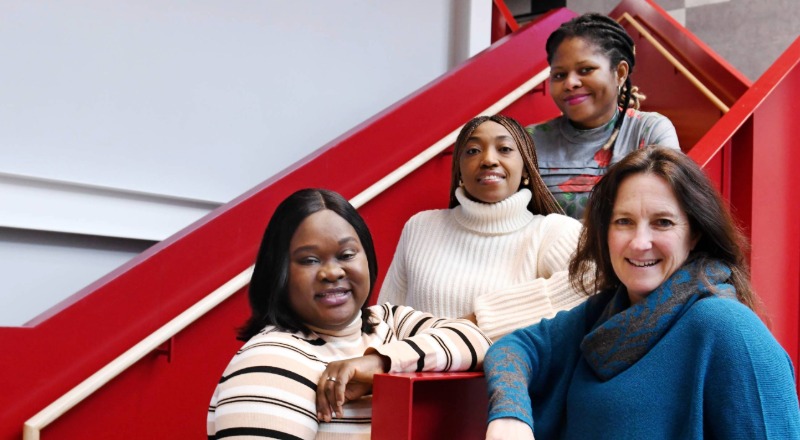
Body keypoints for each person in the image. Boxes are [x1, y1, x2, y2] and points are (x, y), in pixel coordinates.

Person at [484, 146, 800, 439]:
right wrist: (510, 414)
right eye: (624, 221)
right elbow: (515, 347)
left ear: (694, 233)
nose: (639, 242)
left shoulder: (731, 330)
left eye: (662, 222)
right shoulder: (606, 312)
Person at [207, 189, 490, 440]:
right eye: (309, 260)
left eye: (346, 255)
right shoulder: (272, 360)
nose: (332, 272)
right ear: (278, 271)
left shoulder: (389, 322)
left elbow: (476, 340)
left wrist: (379, 363)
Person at [378, 114, 587, 341]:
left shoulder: (554, 232)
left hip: (513, 376)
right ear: (459, 171)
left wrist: (477, 321)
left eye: (505, 149)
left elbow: (594, 291)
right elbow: (385, 323)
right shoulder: (420, 227)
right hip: (413, 373)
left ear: (526, 168)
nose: (488, 159)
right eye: (473, 150)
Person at [530, 13, 679, 219]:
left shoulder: (649, 131)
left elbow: (663, 212)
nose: (570, 83)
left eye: (586, 69)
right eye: (559, 75)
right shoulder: (528, 141)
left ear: (619, 73)